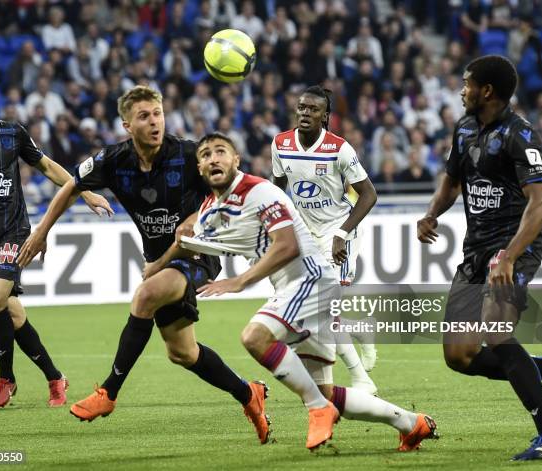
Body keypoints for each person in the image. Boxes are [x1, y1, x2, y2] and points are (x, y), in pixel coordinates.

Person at [144, 133, 438, 451]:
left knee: (255, 337)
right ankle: (411, 423)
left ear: (236, 160)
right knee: (325, 391)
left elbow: (287, 246)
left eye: (221, 151)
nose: (213, 158)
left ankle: (317, 407)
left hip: (312, 281)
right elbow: (187, 241)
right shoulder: (212, 207)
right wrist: (157, 265)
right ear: (199, 166)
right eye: (205, 154)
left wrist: (240, 281)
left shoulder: (258, 191)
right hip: (297, 289)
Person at [16, 86, 270, 445]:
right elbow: (70, 186)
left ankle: (108, 392)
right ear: (126, 125)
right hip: (159, 260)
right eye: (144, 116)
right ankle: (248, 394)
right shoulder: (114, 160)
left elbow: (228, 188)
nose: (154, 122)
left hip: (197, 255)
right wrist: (42, 231)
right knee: (182, 352)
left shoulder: (187, 155)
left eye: (158, 113)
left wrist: (204, 214)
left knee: (145, 296)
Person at [416, 55, 542, 461]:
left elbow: (541, 204)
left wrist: (509, 258)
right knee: (460, 355)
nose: (461, 89)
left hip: (513, 247)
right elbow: (452, 179)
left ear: (486, 90)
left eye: (466, 83)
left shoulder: (521, 135)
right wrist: (432, 213)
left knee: (496, 329)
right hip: (475, 251)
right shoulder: (464, 128)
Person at [0, 72, 111, 409]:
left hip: (13, 233)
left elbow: (47, 167)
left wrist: (84, 193)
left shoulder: (13, 133)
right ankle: (55, 377)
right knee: (11, 313)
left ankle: (6, 380)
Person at [271, 85, 378, 393]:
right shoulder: (280, 144)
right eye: (302, 108)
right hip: (305, 233)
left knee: (322, 310)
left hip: (338, 231)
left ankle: (361, 378)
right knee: (316, 309)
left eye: (313, 109)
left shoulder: (339, 149)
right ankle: (360, 331)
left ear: (325, 116)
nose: (305, 113)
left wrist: (343, 233)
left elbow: (369, 194)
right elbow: (277, 189)